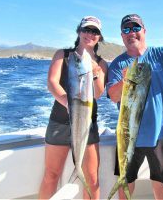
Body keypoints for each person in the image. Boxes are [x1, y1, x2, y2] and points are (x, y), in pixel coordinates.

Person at [107, 14, 163, 200]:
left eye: (136, 28)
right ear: (122, 36)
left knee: (161, 181)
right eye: (126, 30)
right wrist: (126, 79)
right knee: (125, 181)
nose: (132, 33)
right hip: (128, 135)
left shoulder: (162, 54)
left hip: (161, 132)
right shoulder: (117, 64)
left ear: (144, 31)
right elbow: (113, 96)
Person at [39, 16, 108, 200]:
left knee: (92, 179)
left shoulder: (101, 64)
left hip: (87, 124)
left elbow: (98, 94)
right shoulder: (63, 55)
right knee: (51, 175)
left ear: (99, 37)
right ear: (79, 31)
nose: (90, 34)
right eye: (86, 29)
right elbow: (52, 83)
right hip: (59, 123)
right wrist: (68, 102)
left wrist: (96, 74)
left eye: (95, 31)